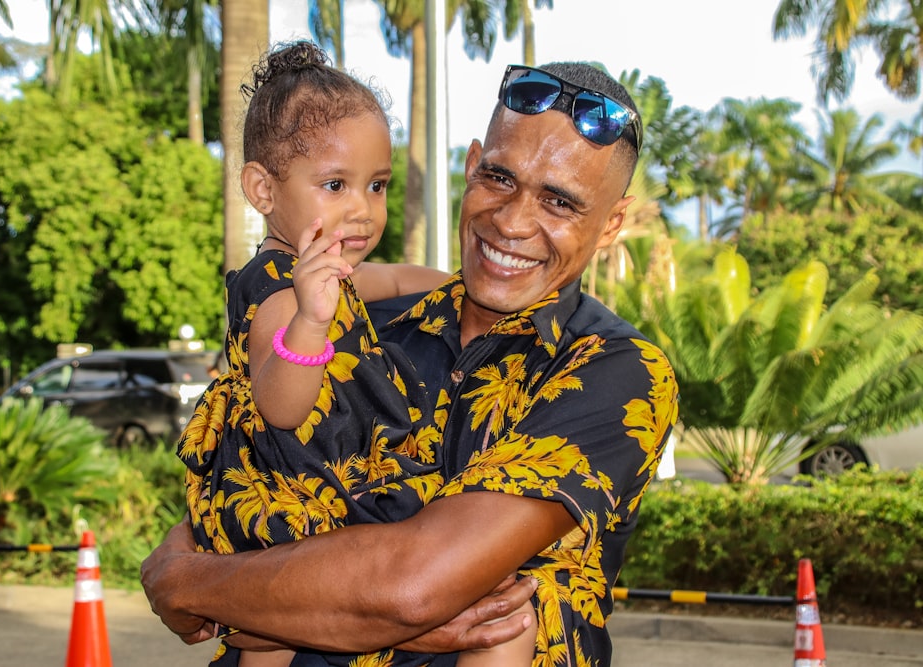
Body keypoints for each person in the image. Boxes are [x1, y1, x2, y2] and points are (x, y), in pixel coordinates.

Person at [142, 57, 680, 667]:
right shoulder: (360, 317)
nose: (511, 221)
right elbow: (251, 454)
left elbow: (409, 588)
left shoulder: (613, 369)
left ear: (611, 224)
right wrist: (262, 590)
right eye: (499, 179)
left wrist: (193, 582)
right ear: (472, 166)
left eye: (559, 202)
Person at [176, 40, 537, 667]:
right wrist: (313, 323)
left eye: (376, 186)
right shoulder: (279, 291)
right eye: (335, 184)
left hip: (337, 486)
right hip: (299, 496)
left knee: (276, 638)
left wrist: (468, 285)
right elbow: (281, 404)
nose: (363, 210)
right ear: (262, 188)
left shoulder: (328, 267)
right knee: (494, 617)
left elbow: (396, 281)